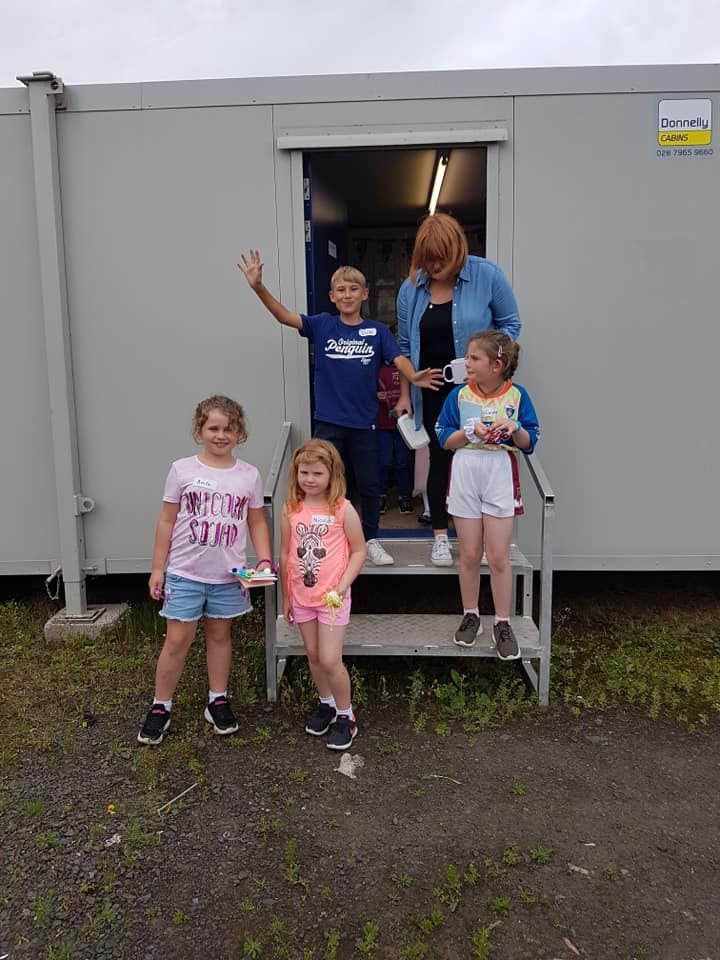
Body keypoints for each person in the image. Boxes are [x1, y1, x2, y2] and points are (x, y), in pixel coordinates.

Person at [238, 251, 442, 566]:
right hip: (329, 424)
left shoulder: (377, 331)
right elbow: (285, 316)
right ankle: (329, 540)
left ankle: (370, 539)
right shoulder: (323, 325)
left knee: (370, 487)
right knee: (325, 484)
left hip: (365, 425)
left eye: (353, 289)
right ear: (332, 296)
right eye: (341, 290)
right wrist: (258, 287)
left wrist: (413, 376)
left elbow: (398, 358)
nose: (347, 295)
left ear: (365, 294)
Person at [138, 395, 272, 746]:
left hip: (228, 576)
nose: (221, 435)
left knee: (219, 635)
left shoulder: (249, 475)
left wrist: (264, 560)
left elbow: (257, 521)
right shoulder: (182, 470)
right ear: (200, 430)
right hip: (184, 574)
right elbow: (166, 521)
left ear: (240, 433)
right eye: (213, 428)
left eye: (229, 428)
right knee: (177, 641)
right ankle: (161, 706)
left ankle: (218, 700)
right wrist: (157, 568)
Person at [396, 213, 521, 566]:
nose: (435, 266)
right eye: (428, 259)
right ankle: (439, 536)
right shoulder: (411, 288)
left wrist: (488, 366)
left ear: (457, 250)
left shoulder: (487, 275)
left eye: (442, 258)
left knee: (480, 458)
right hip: (433, 391)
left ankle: (481, 542)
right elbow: (403, 346)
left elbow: (511, 325)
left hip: (480, 391)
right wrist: (405, 393)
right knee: (441, 459)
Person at [435, 331, 540, 660]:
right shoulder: (459, 395)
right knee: (468, 554)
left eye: (474, 358)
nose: (466, 363)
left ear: (497, 365)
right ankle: (471, 615)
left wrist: (514, 428)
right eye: (467, 357)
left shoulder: (518, 396)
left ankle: (502, 623)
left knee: (497, 556)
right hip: (466, 471)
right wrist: (468, 433)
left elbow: (530, 441)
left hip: (499, 473)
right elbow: (443, 439)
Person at [280, 439, 367, 750]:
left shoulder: (342, 509)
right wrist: (287, 596)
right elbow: (285, 554)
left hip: (332, 599)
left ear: (332, 474)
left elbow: (359, 551)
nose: (309, 479)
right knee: (314, 655)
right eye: (304, 472)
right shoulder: (291, 509)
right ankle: (326, 702)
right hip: (301, 596)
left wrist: (341, 587)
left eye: (317, 473)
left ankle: (346, 715)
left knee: (330, 659)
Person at [376, 362, 413, 515]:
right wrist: (376, 395)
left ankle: (404, 496)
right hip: (382, 423)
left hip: (404, 424)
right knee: (383, 462)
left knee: (403, 462)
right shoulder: (377, 368)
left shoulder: (407, 366)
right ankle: (381, 496)